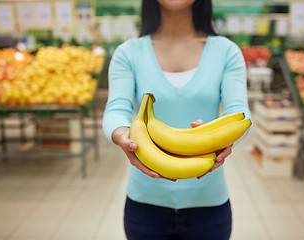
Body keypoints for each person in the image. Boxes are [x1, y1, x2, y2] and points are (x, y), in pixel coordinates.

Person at [102, 0, 251, 239]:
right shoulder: (128, 53)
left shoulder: (226, 51)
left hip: (209, 204)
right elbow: (116, 108)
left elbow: (238, 110)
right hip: (145, 205)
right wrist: (122, 135)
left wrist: (225, 138)